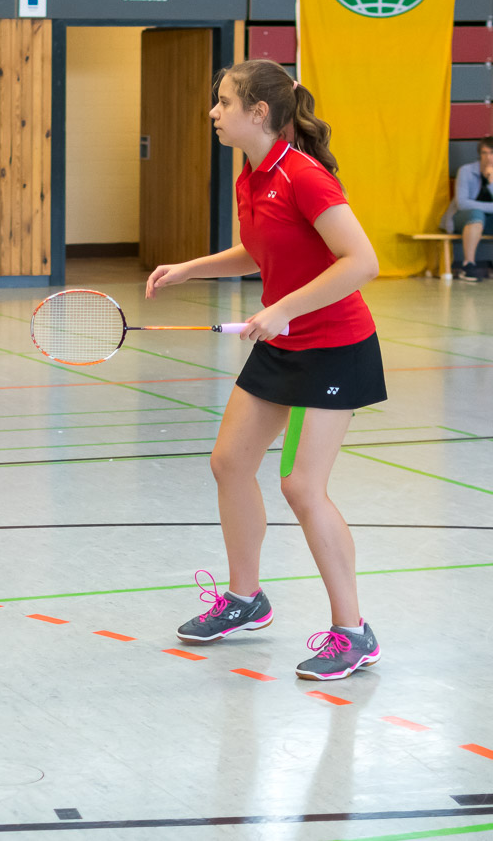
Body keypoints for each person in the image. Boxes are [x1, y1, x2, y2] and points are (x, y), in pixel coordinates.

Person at [146, 59, 386, 681]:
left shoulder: (304, 176)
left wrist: (282, 309)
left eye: (224, 102)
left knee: (302, 486)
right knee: (229, 462)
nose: (213, 112)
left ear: (258, 113)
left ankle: (353, 632)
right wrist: (191, 269)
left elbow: (361, 262)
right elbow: (261, 251)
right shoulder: (252, 175)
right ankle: (246, 599)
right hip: (285, 342)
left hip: (333, 347)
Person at [439, 134, 493, 282]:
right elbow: (462, 203)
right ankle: (468, 265)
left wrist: (491, 183)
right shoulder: (466, 171)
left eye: (492, 153)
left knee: (479, 213)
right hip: (462, 219)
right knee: (477, 214)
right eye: (484, 153)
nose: (488, 157)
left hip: (488, 222)